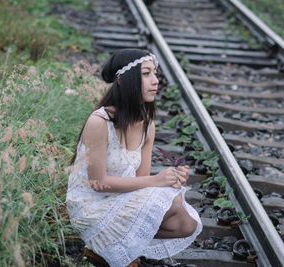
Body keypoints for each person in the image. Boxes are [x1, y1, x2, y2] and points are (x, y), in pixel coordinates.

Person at [66, 48, 202, 267]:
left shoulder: (147, 125)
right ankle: (107, 247)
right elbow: (98, 183)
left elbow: (141, 182)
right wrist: (157, 181)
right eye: (146, 74)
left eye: (155, 73)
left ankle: (113, 248)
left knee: (187, 223)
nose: (155, 81)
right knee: (172, 200)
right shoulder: (99, 122)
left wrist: (171, 180)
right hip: (90, 205)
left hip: (121, 199)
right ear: (123, 80)